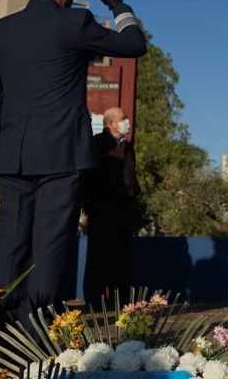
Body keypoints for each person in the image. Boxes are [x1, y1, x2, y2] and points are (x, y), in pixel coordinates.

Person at [0, 0, 147, 329]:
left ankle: (6, 325)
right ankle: (41, 323)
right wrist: (117, 4)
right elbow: (135, 44)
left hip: (10, 154)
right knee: (51, 240)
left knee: (12, 239)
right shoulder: (74, 22)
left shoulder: (0, 30)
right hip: (61, 153)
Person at [83, 107, 141, 305]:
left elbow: (130, 176)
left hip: (123, 208)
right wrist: (88, 204)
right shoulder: (99, 144)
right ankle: (93, 299)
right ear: (111, 123)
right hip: (102, 207)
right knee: (99, 255)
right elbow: (89, 176)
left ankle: (120, 299)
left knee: (122, 256)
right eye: (123, 119)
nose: (127, 121)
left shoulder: (128, 146)